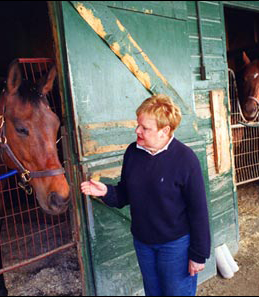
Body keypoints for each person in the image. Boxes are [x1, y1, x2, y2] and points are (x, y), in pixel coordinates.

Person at [81, 94, 211, 296]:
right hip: (143, 243)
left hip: (175, 246)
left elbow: (199, 211)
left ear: (164, 131)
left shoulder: (186, 159)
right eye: (138, 124)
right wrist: (106, 191)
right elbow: (125, 193)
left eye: (145, 128)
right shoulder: (133, 152)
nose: (137, 131)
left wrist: (199, 254)